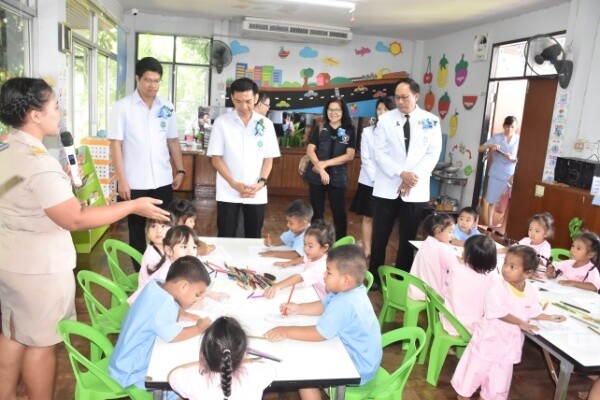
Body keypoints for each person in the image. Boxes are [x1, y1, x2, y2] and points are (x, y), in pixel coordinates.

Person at [0, 77, 170, 400]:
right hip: (40, 271)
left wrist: (58, 187)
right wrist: (132, 206)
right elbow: (76, 218)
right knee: (41, 344)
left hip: (11, 262)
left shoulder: (6, 147)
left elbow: (20, 197)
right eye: (54, 106)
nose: (58, 113)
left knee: (12, 333)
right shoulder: (38, 163)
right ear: (35, 115)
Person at [264, 245, 382, 400]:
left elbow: (319, 333)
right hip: (365, 358)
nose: (324, 274)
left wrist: (286, 331)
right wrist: (298, 308)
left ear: (346, 280)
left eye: (329, 272)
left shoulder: (346, 302)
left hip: (357, 367)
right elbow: (324, 305)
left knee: (304, 374)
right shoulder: (349, 291)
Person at [451, 245, 566, 400]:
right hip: (488, 341)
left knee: (498, 382)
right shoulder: (497, 287)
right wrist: (520, 322)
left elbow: (533, 310)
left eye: (512, 266)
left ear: (528, 273)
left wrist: (549, 317)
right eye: (505, 263)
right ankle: (463, 396)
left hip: (507, 346)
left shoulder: (531, 290)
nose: (506, 269)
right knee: (474, 372)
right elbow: (498, 312)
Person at [109, 56, 185, 271]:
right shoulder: (122, 107)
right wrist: (122, 181)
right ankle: (141, 273)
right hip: (134, 181)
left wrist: (180, 170)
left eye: (157, 81)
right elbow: (116, 144)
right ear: (137, 79)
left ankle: (163, 269)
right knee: (136, 231)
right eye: (148, 80)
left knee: (164, 228)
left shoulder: (167, 107)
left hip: (162, 179)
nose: (153, 85)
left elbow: (172, 140)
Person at [370, 77, 442, 288]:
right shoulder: (384, 120)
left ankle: (401, 277)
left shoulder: (431, 120)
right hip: (388, 186)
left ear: (416, 96)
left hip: (415, 189)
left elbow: (432, 154)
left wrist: (411, 179)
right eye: (397, 97)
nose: (400, 101)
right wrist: (401, 173)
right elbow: (379, 153)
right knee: (380, 234)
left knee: (408, 236)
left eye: (404, 97)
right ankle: (374, 274)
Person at [110, 256, 212, 400]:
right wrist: (198, 328)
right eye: (197, 294)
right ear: (183, 286)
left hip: (122, 359)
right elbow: (173, 336)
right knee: (181, 386)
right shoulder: (163, 304)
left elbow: (162, 312)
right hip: (132, 371)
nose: (198, 299)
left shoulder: (156, 286)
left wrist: (187, 315)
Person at [207, 77, 280, 238]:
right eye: (238, 101)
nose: (243, 106)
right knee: (226, 236)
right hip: (228, 191)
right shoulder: (222, 123)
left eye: (248, 101)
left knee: (253, 237)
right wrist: (233, 183)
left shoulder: (266, 124)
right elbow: (216, 158)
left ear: (255, 98)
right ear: (232, 98)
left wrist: (261, 183)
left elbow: (269, 158)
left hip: (256, 192)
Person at [168, 316, 276, 400]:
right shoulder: (258, 373)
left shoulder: (189, 378)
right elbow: (270, 368)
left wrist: (202, 362)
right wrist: (245, 360)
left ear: (203, 354)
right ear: (244, 354)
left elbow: (172, 374)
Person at [349, 97, 395, 258]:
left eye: (386, 109)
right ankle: (367, 248)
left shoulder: (396, 134)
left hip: (390, 182)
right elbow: (366, 158)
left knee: (383, 220)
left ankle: (378, 249)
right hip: (370, 181)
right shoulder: (367, 132)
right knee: (368, 217)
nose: (382, 112)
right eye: (379, 109)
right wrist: (377, 179)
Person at [305, 97, 356, 240]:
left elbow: (349, 155)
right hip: (316, 175)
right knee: (316, 212)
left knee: (339, 212)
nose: (333, 112)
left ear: (343, 111)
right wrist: (320, 168)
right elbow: (310, 150)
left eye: (337, 110)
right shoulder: (320, 126)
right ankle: (316, 242)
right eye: (330, 109)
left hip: (338, 176)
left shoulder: (350, 129)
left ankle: (340, 244)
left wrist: (325, 163)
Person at [264, 220, 335, 299]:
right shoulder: (315, 255)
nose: (305, 249)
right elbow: (303, 259)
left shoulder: (321, 265)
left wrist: (277, 286)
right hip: (311, 289)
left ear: (324, 247)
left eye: (310, 246)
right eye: (304, 244)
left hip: (320, 298)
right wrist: (290, 263)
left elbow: (300, 277)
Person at [129, 225, 200, 304]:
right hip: (144, 307)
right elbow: (167, 304)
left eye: (194, 247)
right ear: (169, 250)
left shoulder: (179, 264)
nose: (191, 252)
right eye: (184, 247)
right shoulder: (165, 275)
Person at [443, 235, 498, 335]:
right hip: (472, 328)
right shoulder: (493, 278)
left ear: (468, 256)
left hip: (448, 321)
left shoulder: (456, 269)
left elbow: (447, 286)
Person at [478, 116, 519, 228]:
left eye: (512, 126)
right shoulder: (497, 137)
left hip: (510, 174)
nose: (509, 129)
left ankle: (503, 228)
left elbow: (521, 158)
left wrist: (513, 158)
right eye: (507, 126)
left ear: (516, 127)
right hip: (496, 172)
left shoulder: (519, 140)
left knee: (510, 202)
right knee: (492, 200)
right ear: (504, 126)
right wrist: (491, 146)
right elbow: (480, 148)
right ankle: (490, 227)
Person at [408, 212, 459, 300]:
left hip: (415, 290)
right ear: (438, 231)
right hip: (432, 295)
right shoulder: (443, 248)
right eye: (450, 232)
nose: (452, 236)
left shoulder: (426, 242)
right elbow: (456, 268)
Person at [260, 199, 313, 265]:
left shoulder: (309, 236)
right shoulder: (293, 231)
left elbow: (296, 255)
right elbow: (282, 240)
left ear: (303, 223)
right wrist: (270, 241)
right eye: (287, 222)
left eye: (291, 223)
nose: (287, 225)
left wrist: (274, 253)